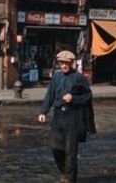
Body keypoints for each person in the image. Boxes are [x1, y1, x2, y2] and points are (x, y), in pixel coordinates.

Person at [38, 50, 95, 183]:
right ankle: (65, 171)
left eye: (66, 63)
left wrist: (73, 98)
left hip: (73, 117)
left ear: (72, 63)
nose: (63, 65)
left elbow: (88, 96)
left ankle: (69, 179)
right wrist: (43, 111)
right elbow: (50, 95)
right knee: (54, 145)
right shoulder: (56, 77)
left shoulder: (79, 78)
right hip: (58, 116)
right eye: (61, 63)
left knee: (70, 150)